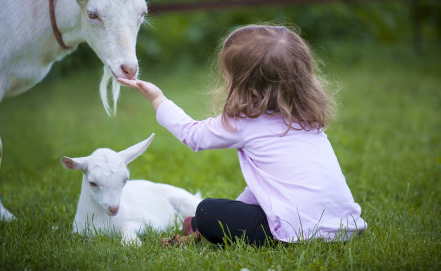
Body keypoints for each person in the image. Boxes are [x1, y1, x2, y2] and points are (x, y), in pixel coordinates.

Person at [118, 25, 366, 246]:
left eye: (229, 77)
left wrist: (157, 98)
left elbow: (192, 135)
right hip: (344, 227)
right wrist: (236, 208)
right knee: (218, 212)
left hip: (297, 232)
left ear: (250, 88)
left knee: (206, 211)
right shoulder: (308, 122)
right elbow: (267, 187)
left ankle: (203, 225)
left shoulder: (245, 123)